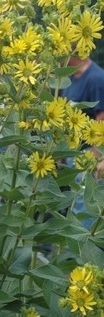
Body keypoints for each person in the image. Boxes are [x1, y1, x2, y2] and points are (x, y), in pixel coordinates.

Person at [61, 55, 104, 230]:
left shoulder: (96, 78)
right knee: (75, 204)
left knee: (85, 205)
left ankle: (83, 254)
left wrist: (96, 158)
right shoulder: (69, 77)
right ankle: (75, 253)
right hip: (73, 152)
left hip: (89, 154)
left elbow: (101, 119)